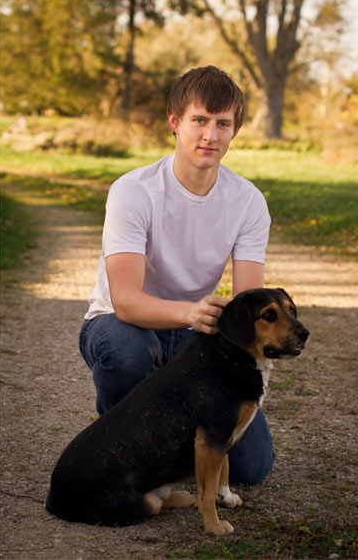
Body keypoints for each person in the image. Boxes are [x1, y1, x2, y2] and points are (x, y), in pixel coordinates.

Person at [79, 66, 274, 484]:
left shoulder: (248, 202)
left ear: (235, 131)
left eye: (223, 124)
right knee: (126, 351)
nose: (211, 135)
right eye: (199, 120)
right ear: (174, 121)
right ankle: (121, 449)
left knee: (251, 469)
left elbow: (249, 306)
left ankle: (183, 441)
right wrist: (191, 314)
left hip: (194, 332)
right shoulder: (134, 191)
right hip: (120, 325)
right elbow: (126, 300)